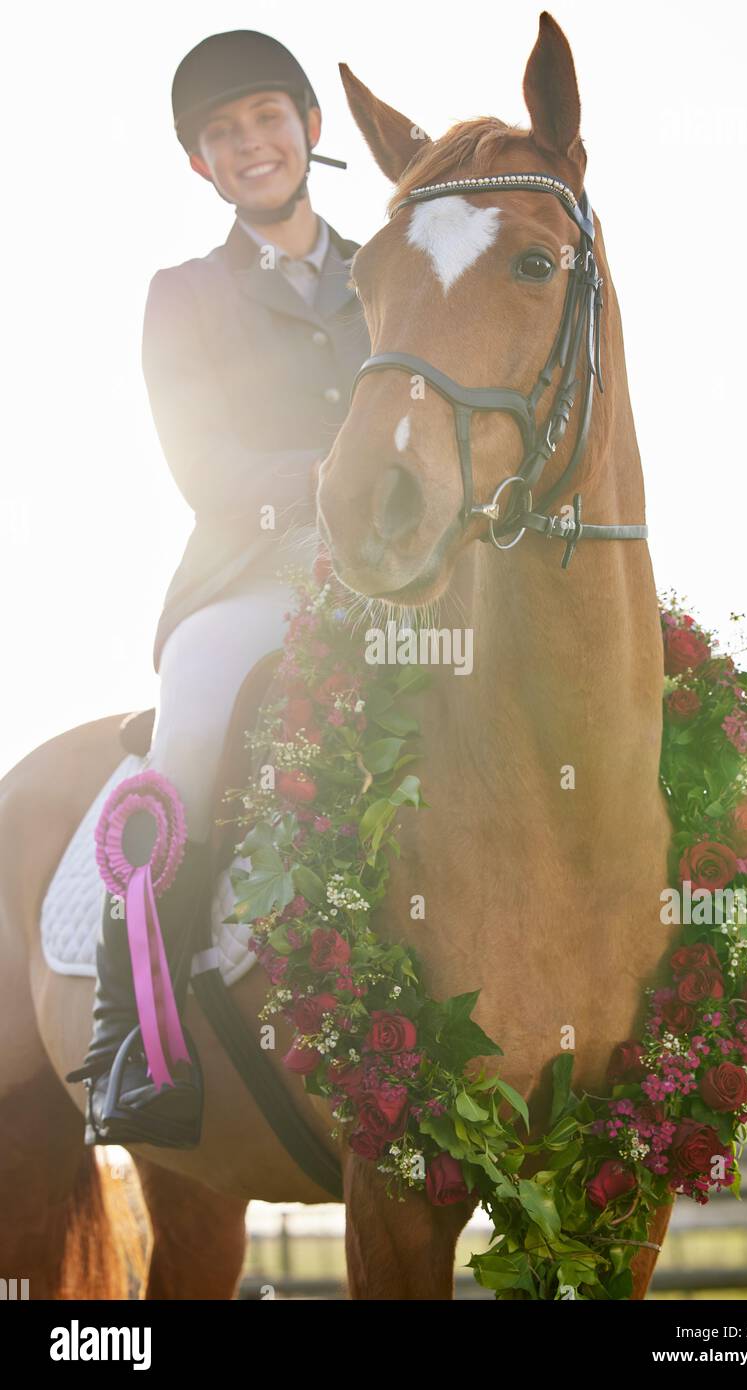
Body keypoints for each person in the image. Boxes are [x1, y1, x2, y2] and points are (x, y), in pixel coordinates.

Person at [65, 29, 371, 1149]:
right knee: (189, 732)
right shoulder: (183, 293)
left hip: (407, 572)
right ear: (201, 164)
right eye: (222, 134)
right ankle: (127, 1043)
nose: (249, 145)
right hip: (256, 574)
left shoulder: (391, 269)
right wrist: (330, 478)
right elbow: (200, 462)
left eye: (266, 120)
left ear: (310, 130)